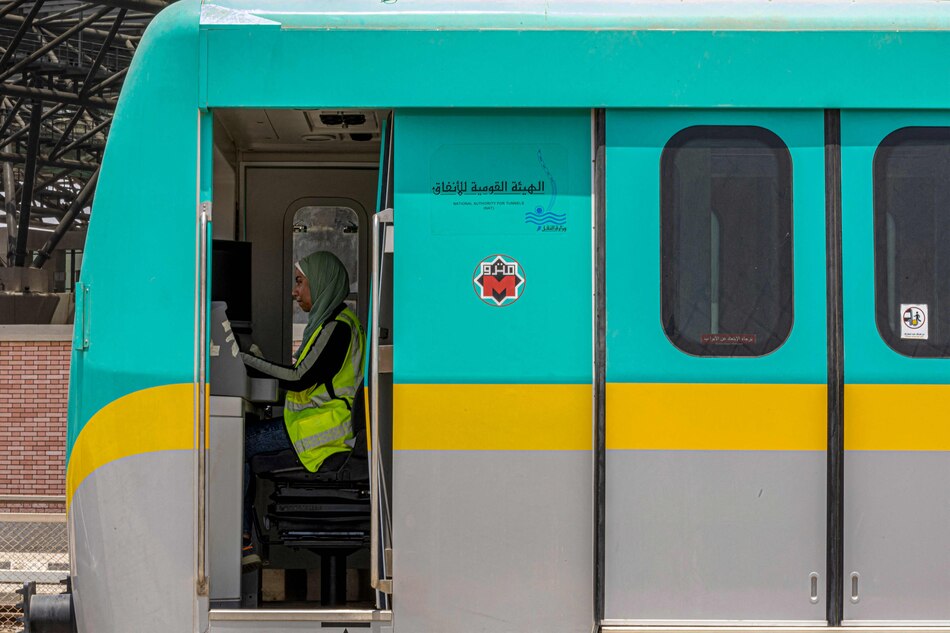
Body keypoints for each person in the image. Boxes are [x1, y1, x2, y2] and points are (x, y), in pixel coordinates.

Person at [239, 251, 365, 565]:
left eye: (300, 282)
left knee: (234, 443)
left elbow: (298, 378)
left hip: (325, 432)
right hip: (316, 425)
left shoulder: (338, 328)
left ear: (320, 283)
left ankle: (241, 540)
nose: (295, 291)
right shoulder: (329, 325)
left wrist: (243, 360)